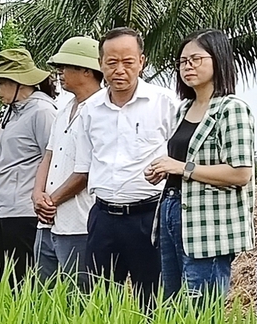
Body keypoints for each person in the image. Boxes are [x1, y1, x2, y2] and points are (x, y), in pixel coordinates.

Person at [60, 28, 178, 307]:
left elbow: (177, 158)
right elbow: (85, 166)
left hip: (148, 218)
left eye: (128, 62)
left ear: (142, 62)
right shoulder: (90, 110)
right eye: (112, 63)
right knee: (98, 302)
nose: (120, 70)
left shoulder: (164, 103)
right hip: (103, 218)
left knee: (152, 302)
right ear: (100, 64)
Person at [143, 30, 257, 301]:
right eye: (182, 62)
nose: (188, 66)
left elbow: (240, 173)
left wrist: (182, 168)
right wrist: (164, 170)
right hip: (172, 209)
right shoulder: (183, 109)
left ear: (218, 60)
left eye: (196, 59)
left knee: (200, 310)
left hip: (208, 223)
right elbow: (181, 163)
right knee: (171, 305)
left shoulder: (231, 109)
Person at [0, 47, 57, 281]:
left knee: (21, 279)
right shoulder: (11, 111)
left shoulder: (42, 111)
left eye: (0, 83)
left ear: (18, 82)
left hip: (23, 211)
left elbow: (53, 157)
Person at [34, 37, 103, 284]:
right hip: (47, 221)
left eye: (66, 67)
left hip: (79, 221)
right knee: (44, 296)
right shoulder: (63, 109)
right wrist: (37, 194)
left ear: (87, 70)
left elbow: (87, 170)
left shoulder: (102, 111)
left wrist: (51, 201)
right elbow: (49, 154)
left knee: (79, 297)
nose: (60, 73)